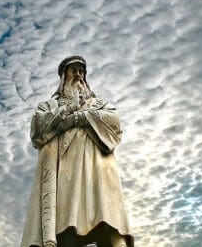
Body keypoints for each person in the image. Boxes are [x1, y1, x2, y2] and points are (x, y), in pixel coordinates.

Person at [21, 56, 133, 247]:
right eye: (73, 70)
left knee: (107, 213)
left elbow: (114, 123)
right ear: (64, 76)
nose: (78, 75)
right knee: (67, 221)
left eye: (81, 71)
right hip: (65, 170)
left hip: (96, 166)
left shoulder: (98, 104)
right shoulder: (50, 106)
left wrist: (80, 117)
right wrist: (69, 108)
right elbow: (38, 128)